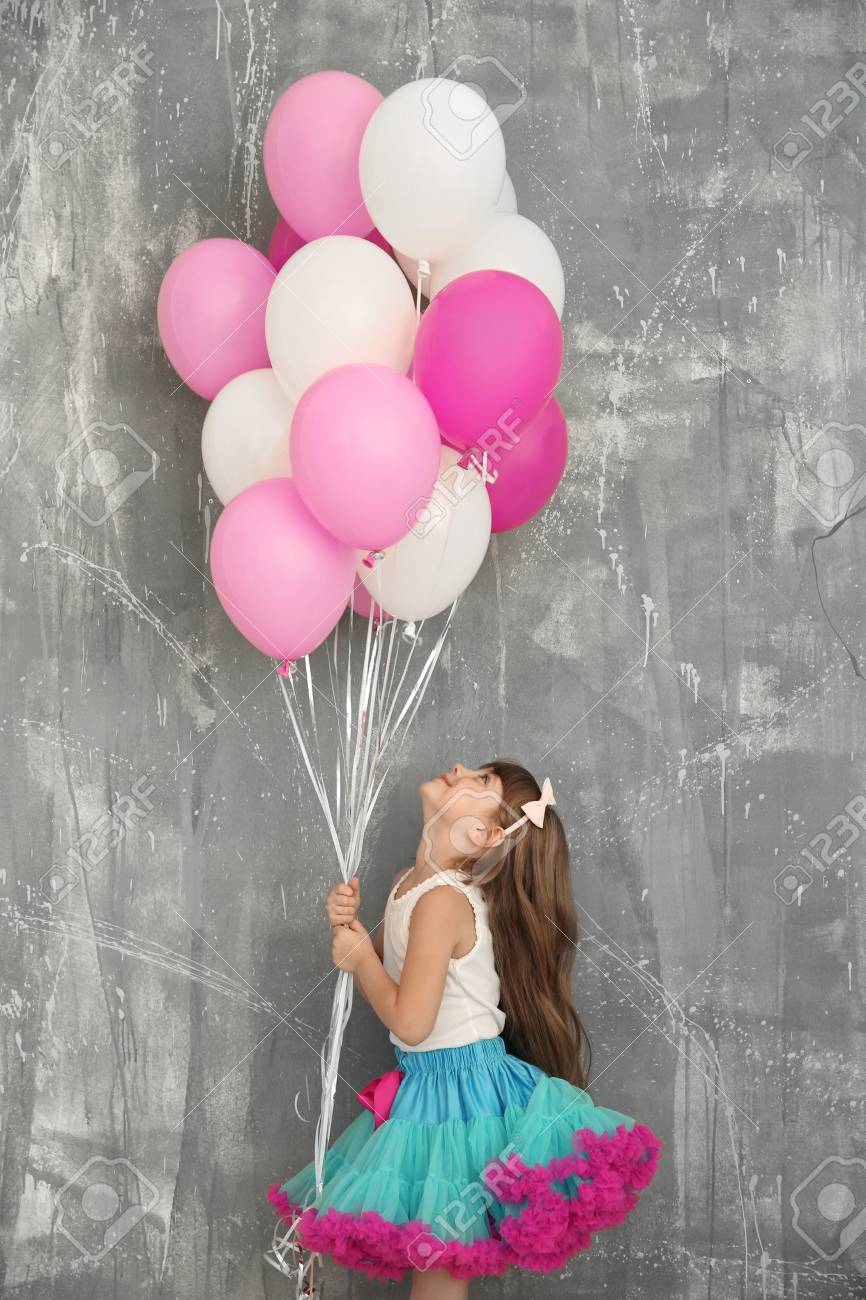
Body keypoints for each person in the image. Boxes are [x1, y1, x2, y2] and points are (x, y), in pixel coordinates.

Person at [268, 760, 663, 1296]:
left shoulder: (442, 902)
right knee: (436, 1264)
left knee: (439, 1269)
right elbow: (390, 977)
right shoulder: (413, 884)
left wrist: (359, 957)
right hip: (431, 1087)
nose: (459, 768)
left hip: (463, 1098)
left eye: (480, 781)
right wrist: (351, 930)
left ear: (486, 834)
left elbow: (409, 1020)